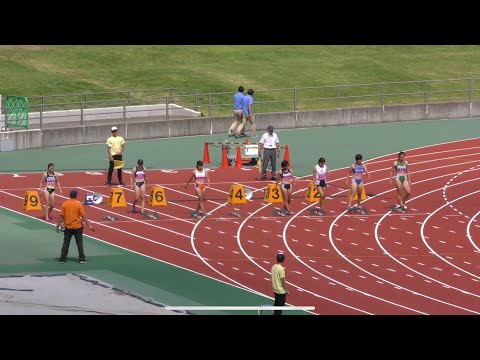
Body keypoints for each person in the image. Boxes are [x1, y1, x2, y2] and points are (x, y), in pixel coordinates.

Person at [56, 190, 94, 264]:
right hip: (78, 227)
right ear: (76, 196)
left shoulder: (65, 204)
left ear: (69, 195)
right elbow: (83, 217)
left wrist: (58, 225)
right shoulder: (79, 204)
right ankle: (82, 259)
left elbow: (61, 216)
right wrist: (89, 225)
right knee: (79, 243)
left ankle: (62, 259)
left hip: (68, 227)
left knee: (66, 243)